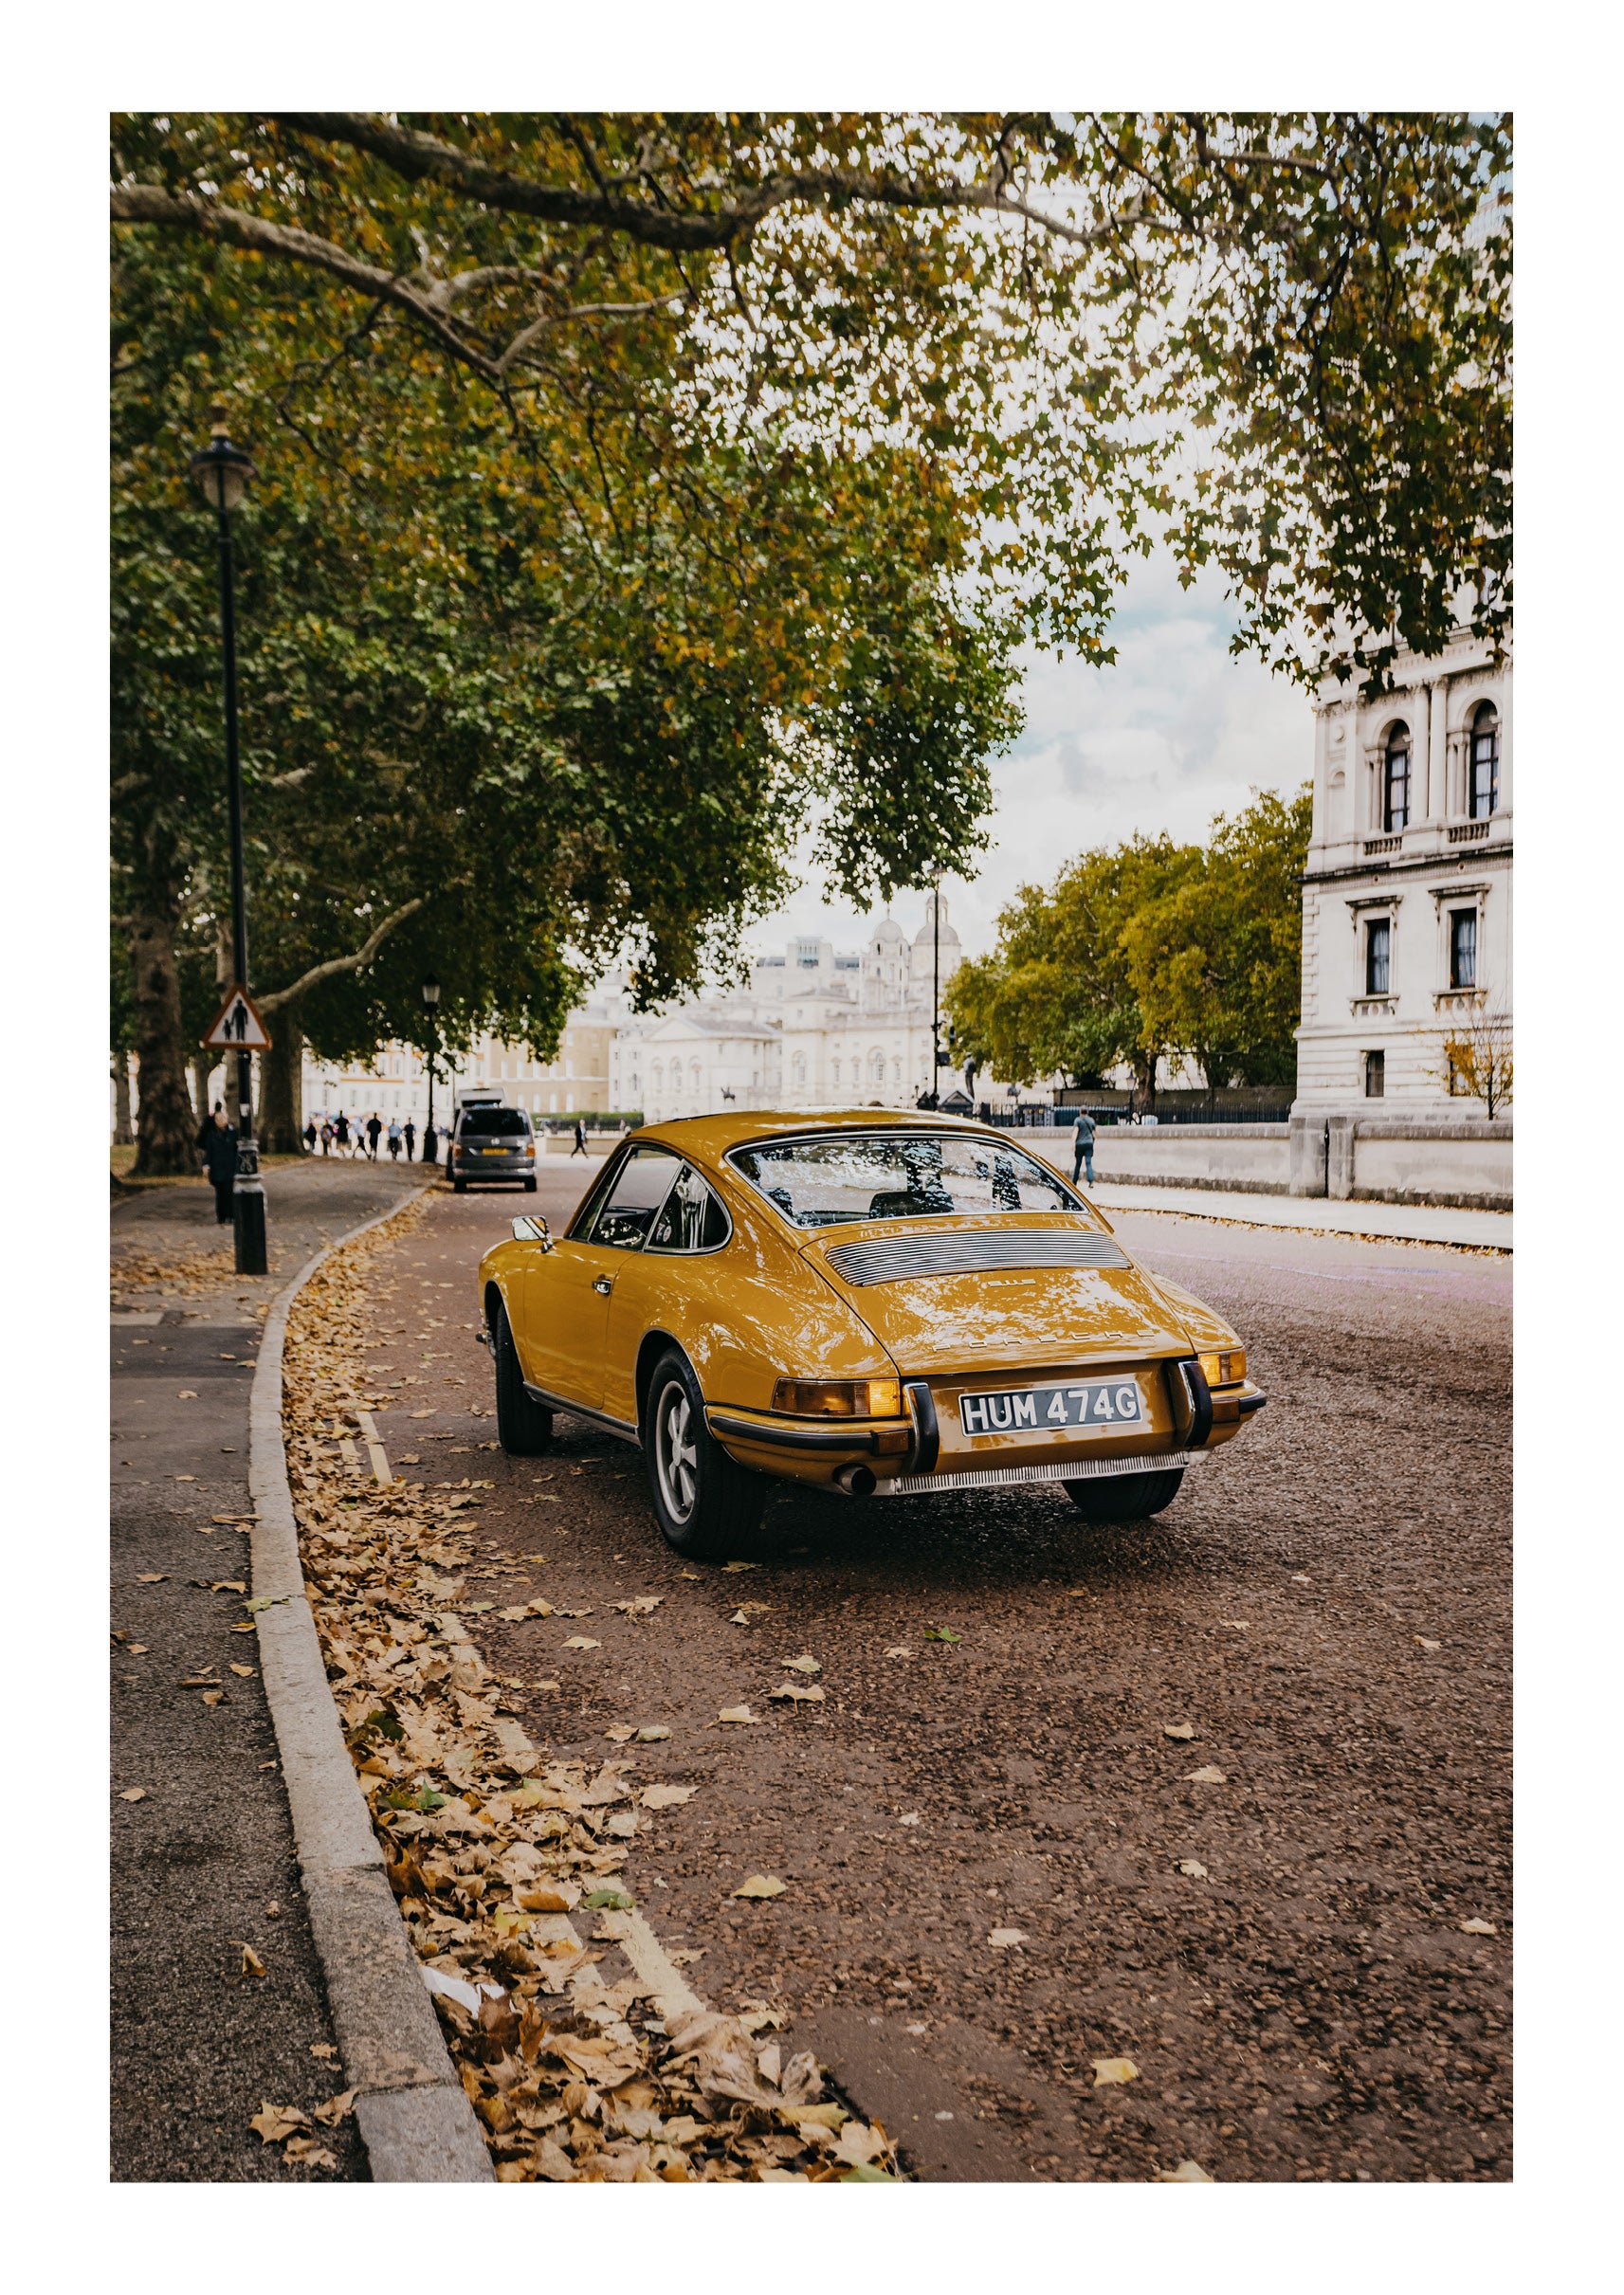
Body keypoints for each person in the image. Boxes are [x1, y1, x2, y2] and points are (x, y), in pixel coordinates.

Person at [196, 1102, 238, 1227]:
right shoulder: (212, 1135)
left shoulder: (233, 1133)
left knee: (229, 1192)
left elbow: (236, 1149)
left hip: (229, 1166)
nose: (220, 1122)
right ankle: (221, 1216)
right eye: (218, 1120)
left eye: (222, 1119)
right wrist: (206, 1165)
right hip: (217, 1167)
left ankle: (230, 1215)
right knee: (220, 1193)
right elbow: (208, 1152)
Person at [1071, 1107, 1097, 1188]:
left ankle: (1074, 1182)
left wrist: (1073, 1143)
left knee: (1078, 1163)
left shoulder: (1078, 1120)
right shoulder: (1091, 1120)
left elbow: (1075, 1132)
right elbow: (1095, 1133)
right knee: (1088, 1162)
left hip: (1079, 1144)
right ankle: (1091, 1181)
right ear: (1087, 1112)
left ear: (1080, 1112)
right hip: (1089, 1143)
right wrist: (1092, 1141)